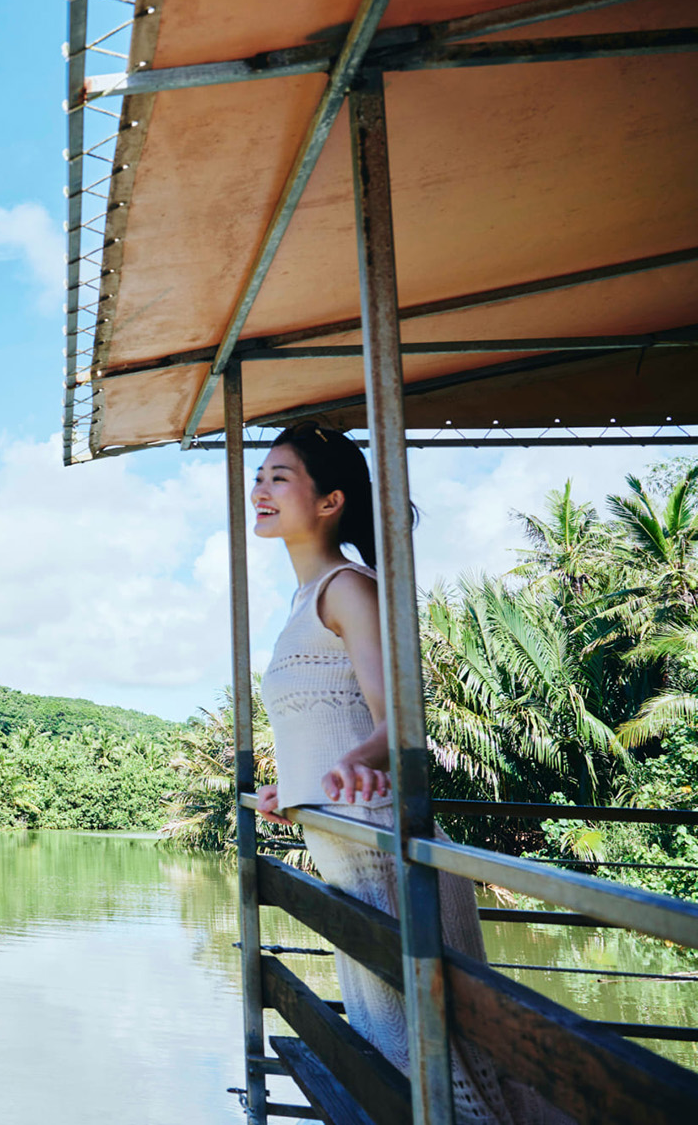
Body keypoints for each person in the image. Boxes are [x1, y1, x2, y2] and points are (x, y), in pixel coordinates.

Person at [249, 422, 542, 1125]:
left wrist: (352, 764)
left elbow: (401, 722)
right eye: (258, 476)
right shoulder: (304, 600)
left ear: (330, 502)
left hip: (384, 856)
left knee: (444, 1065)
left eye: (278, 477)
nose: (258, 489)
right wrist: (295, 793)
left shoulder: (348, 587)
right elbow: (328, 725)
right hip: (346, 854)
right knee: (396, 1050)